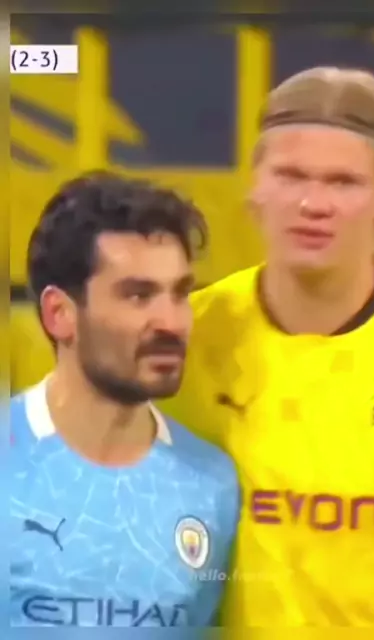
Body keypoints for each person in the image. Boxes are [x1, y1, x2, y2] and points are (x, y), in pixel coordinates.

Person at [162, 67, 374, 627]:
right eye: (291, 176)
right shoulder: (188, 337)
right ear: (256, 185)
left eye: (343, 182)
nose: (313, 203)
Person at [10, 172, 240, 628]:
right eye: (138, 295)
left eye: (181, 293)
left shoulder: (213, 484)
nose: (172, 322)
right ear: (60, 314)